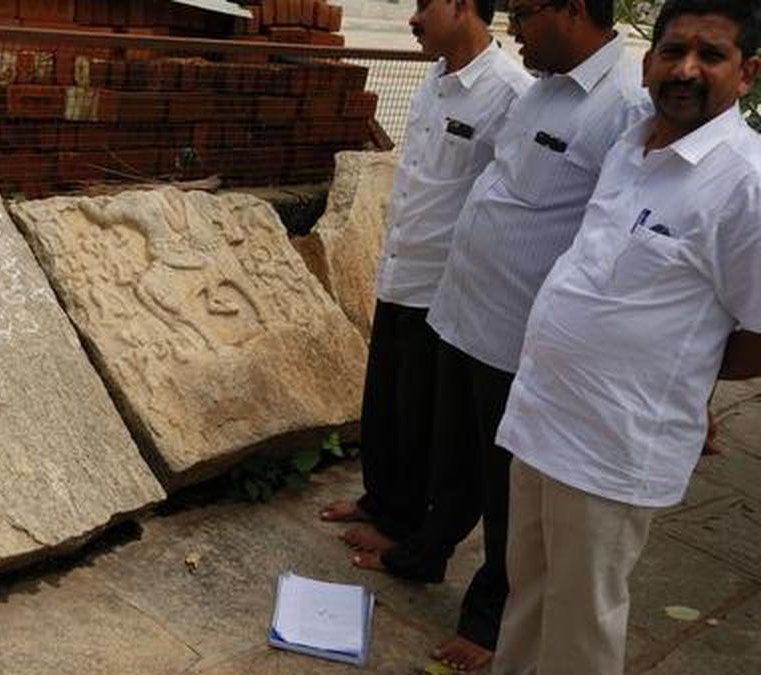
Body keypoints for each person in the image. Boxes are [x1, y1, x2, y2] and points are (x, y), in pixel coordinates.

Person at [347, 0, 652, 670]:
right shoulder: (543, 90)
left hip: (519, 337)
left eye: (528, 11)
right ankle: (422, 553)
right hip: (464, 312)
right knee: (452, 465)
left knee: (508, 493)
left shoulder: (624, 108)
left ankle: (489, 623)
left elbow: (615, 239)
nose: (514, 25)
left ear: (573, 10)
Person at [492, 1, 761, 673]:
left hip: (614, 442)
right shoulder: (630, 144)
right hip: (542, 415)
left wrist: (687, 374)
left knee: (582, 620)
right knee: (528, 591)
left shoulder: (746, 183)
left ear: (747, 73)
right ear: (648, 63)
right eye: (673, 51)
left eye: (711, 54)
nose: (687, 69)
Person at [319, 0, 531, 557]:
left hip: (445, 286)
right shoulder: (433, 81)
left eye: (423, 5)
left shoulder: (511, 94)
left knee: (421, 416)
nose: (413, 20)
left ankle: (403, 523)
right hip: (399, 267)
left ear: (462, 6)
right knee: (385, 403)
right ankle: (380, 499)